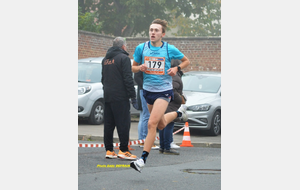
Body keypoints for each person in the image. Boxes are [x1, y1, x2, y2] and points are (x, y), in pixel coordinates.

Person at [130, 19, 190, 172]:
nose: (153, 33)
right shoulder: (141, 48)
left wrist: (176, 69)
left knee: (151, 124)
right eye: (151, 30)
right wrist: (140, 68)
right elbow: (133, 68)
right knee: (161, 123)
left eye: (156, 30)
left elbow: (186, 61)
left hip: (164, 91)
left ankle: (142, 159)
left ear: (162, 34)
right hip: (148, 91)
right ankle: (178, 113)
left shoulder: (169, 49)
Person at [101, 37, 139, 160]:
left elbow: (103, 79)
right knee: (123, 124)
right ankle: (123, 150)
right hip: (120, 97)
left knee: (108, 124)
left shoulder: (105, 60)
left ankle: (109, 150)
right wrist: (133, 96)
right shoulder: (124, 58)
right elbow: (128, 79)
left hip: (107, 96)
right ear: (123, 46)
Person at [159, 59, 184, 155]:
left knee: (162, 125)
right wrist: (179, 99)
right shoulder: (175, 77)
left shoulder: (166, 73)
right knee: (169, 125)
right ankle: (167, 148)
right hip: (171, 104)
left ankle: (162, 147)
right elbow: (172, 90)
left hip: (163, 102)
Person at [134, 71, 159, 150]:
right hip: (146, 89)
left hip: (144, 89)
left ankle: (142, 139)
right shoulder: (143, 61)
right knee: (147, 115)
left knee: (143, 115)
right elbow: (137, 77)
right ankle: (145, 140)